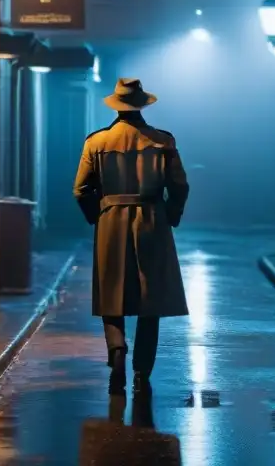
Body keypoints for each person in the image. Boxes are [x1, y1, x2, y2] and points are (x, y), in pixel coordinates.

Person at [73, 78, 190, 398]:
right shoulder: (162, 141)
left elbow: (80, 189)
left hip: (111, 220)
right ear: (141, 104)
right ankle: (142, 370)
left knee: (112, 292)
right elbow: (180, 186)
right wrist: (170, 216)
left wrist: (97, 215)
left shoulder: (96, 142)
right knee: (150, 297)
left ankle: (117, 352)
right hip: (152, 220)